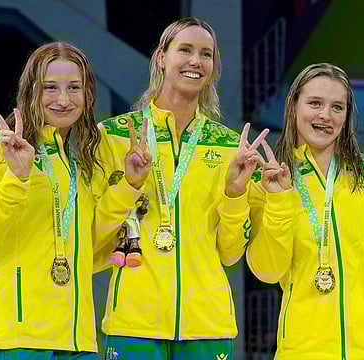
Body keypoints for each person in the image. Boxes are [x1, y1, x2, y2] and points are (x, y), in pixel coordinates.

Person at [93, 17, 268, 360]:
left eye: (206, 54)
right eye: (185, 50)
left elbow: (231, 253)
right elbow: (94, 236)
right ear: (161, 57)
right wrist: (129, 185)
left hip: (207, 325)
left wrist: (234, 193)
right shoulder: (114, 136)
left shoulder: (229, 147)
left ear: (214, 66)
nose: (195, 61)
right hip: (134, 325)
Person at [246, 63, 364, 359]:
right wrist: (280, 201)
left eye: (338, 107)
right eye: (315, 103)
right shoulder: (269, 180)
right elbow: (267, 271)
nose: (326, 116)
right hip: (304, 349)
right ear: (293, 105)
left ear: (347, 116)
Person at [0, 42, 141, 359]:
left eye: (74, 87)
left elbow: (93, 252)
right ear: (32, 91)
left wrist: (129, 185)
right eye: (50, 88)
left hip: (77, 340)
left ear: (87, 96)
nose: (63, 99)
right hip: (17, 339)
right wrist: (15, 178)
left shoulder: (83, 161)